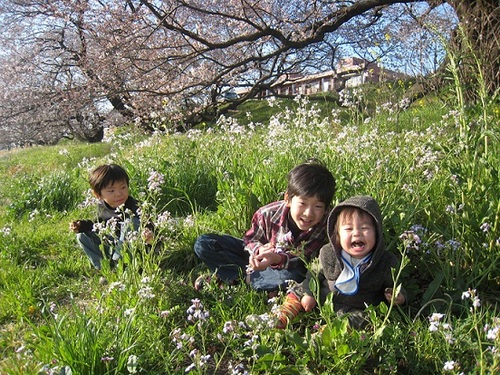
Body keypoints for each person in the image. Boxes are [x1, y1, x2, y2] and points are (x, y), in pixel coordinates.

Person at [193, 159, 336, 293]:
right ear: (288, 199)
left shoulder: (326, 222)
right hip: (259, 261)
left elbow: (302, 257)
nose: (308, 213)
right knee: (204, 243)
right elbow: (250, 239)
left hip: (289, 267)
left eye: (318, 206)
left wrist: (276, 258)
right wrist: (258, 250)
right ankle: (250, 280)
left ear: (326, 207)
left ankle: (235, 279)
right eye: (302, 203)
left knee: (294, 277)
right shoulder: (267, 213)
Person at [277, 195, 406, 329]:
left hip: (355, 308)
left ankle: (326, 335)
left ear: (377, 232)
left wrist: (399, 297)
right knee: (298, 291)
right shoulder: (328, 253)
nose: (357, 233)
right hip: (321, 299)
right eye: (348, 229)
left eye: (365, 228)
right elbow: (313, 275)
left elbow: (397, 284)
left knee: (363, 320)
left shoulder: (385, 262)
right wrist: (310, 293)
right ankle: (281, 317)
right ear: (337, 236)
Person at [70, 164, 153, 270]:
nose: (119, 194)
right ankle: (105, 268)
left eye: (123, 187)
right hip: (114, 244)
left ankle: (120, 266)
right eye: (111, 191)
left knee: (131, 223)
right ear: (98, 194)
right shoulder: (101, 208)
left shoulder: (137, 206)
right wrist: (81, 226)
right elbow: (98, 227)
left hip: (137, 251)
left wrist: (149, 235)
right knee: (82, 236)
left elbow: (151, 229)